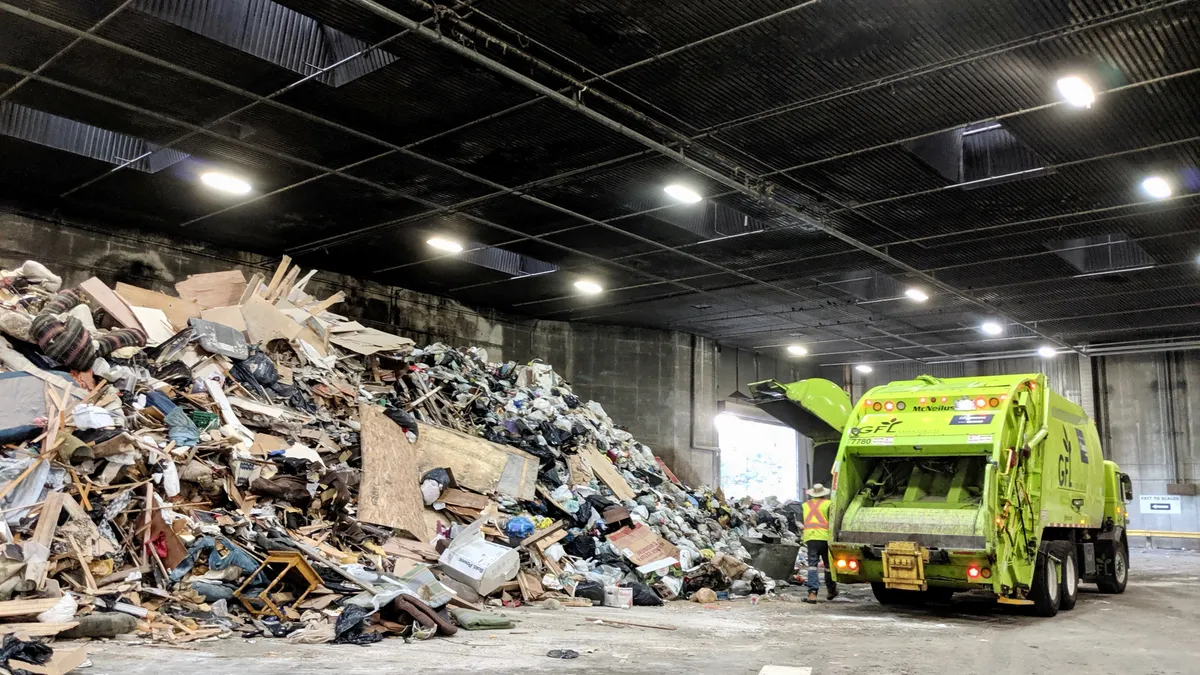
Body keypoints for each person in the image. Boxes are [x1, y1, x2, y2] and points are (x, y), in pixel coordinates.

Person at [801, 483, 837, 603]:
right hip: (824, 537)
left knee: (812, 566)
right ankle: (831, 590)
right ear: (823, 494)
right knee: (828, 566)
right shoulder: (829, 504)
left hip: (810, 537)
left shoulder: (805, 505)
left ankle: (812, 594)